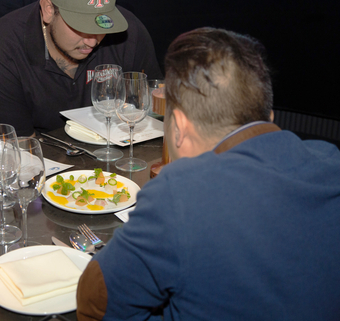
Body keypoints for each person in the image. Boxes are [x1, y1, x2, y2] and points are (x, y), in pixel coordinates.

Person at [76, 27, 340, 320]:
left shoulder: (181, 195)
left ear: (178, 127)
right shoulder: (330, 161)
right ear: (270, 117)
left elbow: (96, 303)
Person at [0, 0, 163, 136]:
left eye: (102, 24)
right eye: (80, 26)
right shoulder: (1, 51)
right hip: (41, 157)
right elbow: (20, 149)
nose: (92, 41)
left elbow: (159, 110)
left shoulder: (129, 33)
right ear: (48, 10)